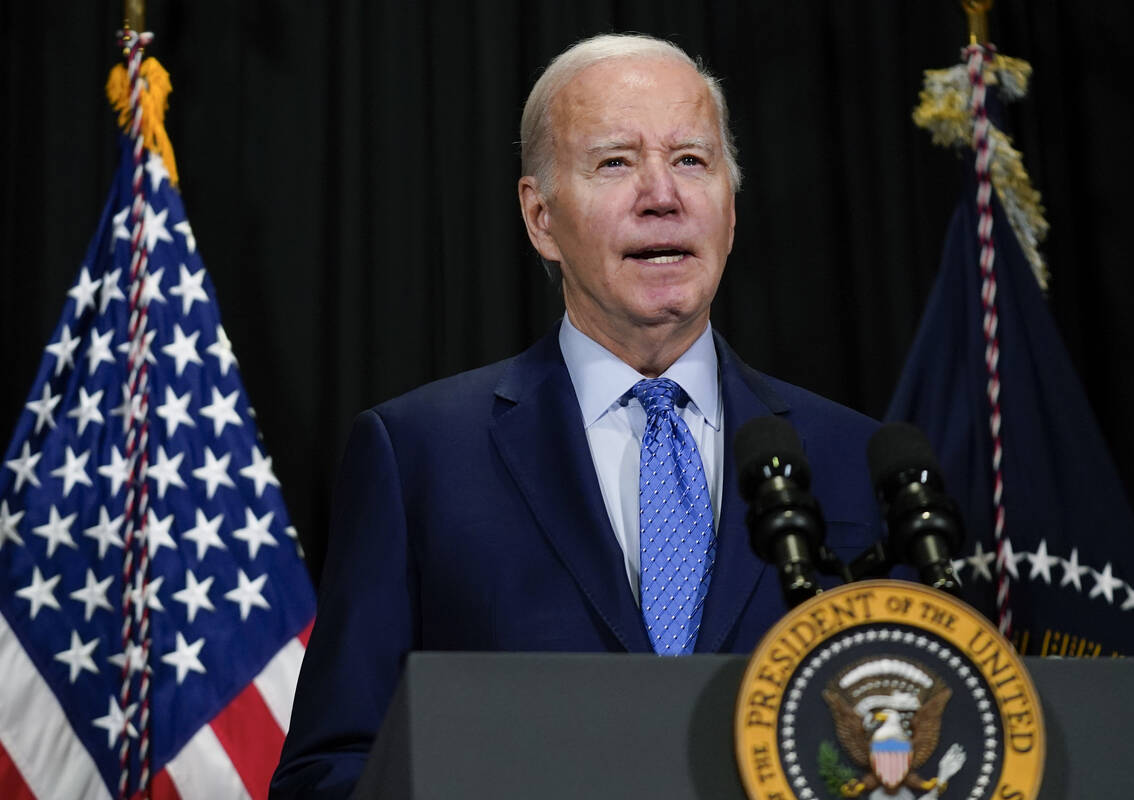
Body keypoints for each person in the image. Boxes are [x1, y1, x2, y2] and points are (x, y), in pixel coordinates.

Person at [271, 32, 884, 798]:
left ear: (729, 209)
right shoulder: (420, 456)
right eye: (616, 162)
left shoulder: (851, 459)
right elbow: (330, 771)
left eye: (692, 160)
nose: (663, 194)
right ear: (540, 218)